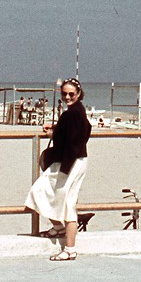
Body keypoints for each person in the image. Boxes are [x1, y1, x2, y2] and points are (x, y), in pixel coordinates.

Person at [25, 77, 92, 261]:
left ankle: (69, 249)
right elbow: (84, 130)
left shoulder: (72, 113)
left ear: (78, 94)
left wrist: (64, 169)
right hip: (77, 161)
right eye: (64, 94)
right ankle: (60, 229)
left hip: (69, 163)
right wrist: (55, 131)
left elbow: (72, 140)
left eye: (71, 94)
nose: (67, 97)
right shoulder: (78, 111)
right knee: (51, 195)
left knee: (52, 197)